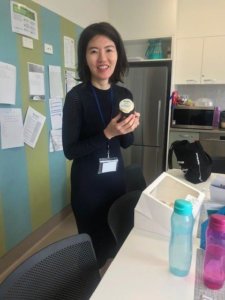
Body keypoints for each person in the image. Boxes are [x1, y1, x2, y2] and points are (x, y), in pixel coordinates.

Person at [62, 22, 140, 268]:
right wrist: (106, 134)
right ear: (84, 57)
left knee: (117, 243)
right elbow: (70, 150)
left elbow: (127, 144)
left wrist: (129, 129)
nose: (102, 58)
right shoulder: (76, 97)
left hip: (115, 182)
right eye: (93, 51)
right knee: (93, 253)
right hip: (87, 188)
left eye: (109, 49)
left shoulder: (124, 95)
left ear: (118, 54)